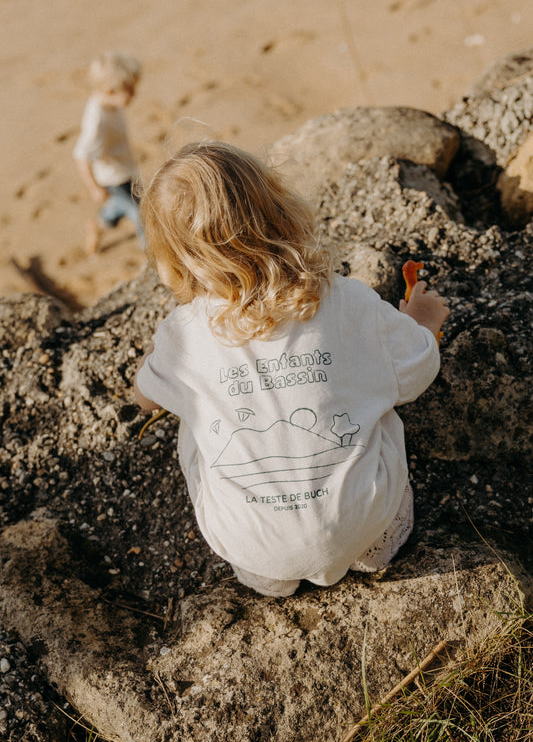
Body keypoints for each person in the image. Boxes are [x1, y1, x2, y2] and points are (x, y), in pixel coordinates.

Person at [134, 141, 450, 597]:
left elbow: (145, 397)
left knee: (192, 417)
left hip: (254, 551)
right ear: (280, 211)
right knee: (377, 393)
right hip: (367, 527)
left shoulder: (181, 336)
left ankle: (272, 575)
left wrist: (156, 369)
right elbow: (417, 372)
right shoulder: (348, 301)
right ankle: (375, 552)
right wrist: (420, 322)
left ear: (174, 260)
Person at [73, 51, 144, 254]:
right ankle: (150, 252)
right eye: (129, 89)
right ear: (109, 91)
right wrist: (93, 187)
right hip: (112, 179)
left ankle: (98, 223)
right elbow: (81, 155)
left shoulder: (111, 103)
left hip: (126, 169)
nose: (134, 93)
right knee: (141, 214)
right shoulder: (97, 120)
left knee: (117, 209)